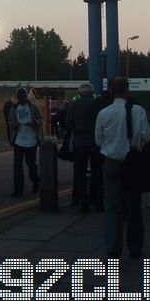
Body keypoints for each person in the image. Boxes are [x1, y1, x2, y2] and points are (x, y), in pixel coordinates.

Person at [95, 77, 150, 259]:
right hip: (133, 163)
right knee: (135, 207)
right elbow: (148, 136)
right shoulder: (138, 111)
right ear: (128, 90)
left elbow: (98, 141)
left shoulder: (104, 113)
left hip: (112, 162)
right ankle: (135, 248)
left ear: (111, 90)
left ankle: (113, 249)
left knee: (112, 208)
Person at [66, 83, 103, 212]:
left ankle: (83, 202)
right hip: (95, 142)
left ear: (79, 93)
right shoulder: (96, 104)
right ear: (92, 92)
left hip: (79, 142)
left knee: (80, 173)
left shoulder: (74, 104)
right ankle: (98, 201)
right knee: (97, 172)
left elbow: (68, 123)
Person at [9, 87, 42, 197]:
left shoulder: (33, 107)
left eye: (23, 96)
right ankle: (18, 190)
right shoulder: (14, 108)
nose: (21, 99)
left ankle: (36, 181)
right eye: (19, 97)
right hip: (18, 140)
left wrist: (34, 122)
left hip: (31, 140)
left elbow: (41, 120)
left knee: (31, 164)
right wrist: (14, 124)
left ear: (26, 97)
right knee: (17, 166)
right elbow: (10, 121)